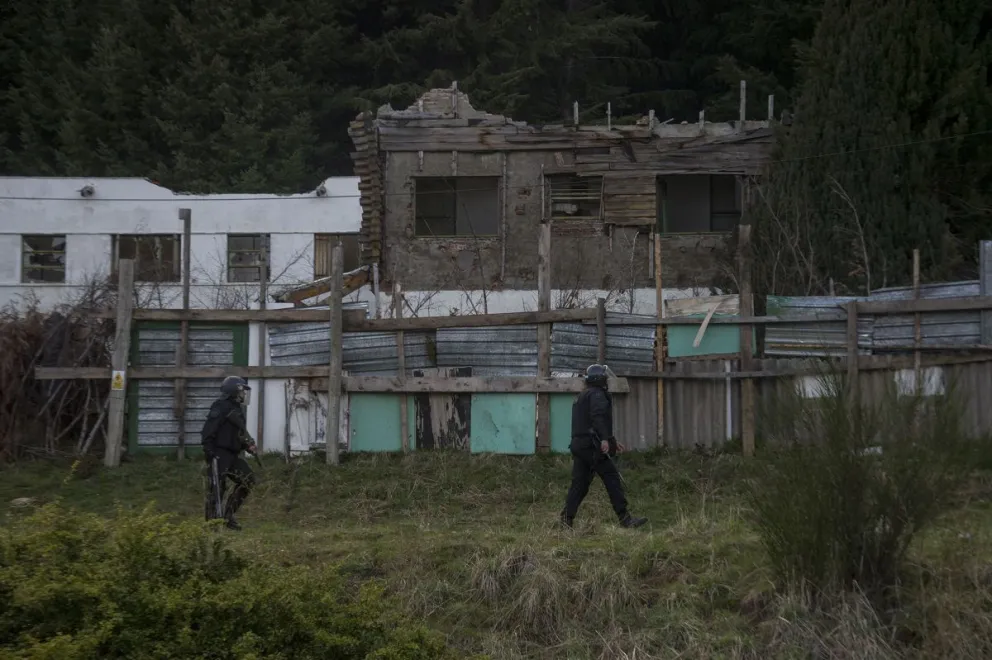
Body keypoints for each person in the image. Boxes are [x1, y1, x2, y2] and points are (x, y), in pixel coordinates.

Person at [560, 364, 647, 530]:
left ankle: (566, 520)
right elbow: (598, 417)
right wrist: (605, 440)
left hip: (580, 445)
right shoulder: (598, 395)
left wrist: (612, 440)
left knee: (580, 484)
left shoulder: (582, 396)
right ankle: (625, 519)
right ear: (600, 379)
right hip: (592, 446)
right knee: (612, 478)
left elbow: (588, 423)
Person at [201, 375, 257, 530]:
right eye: (242, 391)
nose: (244, 394)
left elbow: (236, 434)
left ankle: (227, 516)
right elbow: (208, 431)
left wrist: (247, 446)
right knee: (217, 487)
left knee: (248, 479)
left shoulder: (236, 408)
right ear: (234, 391)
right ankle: (211, 525)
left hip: (232, 454)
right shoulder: (220, 406)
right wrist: (209, 451)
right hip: (219, 453)